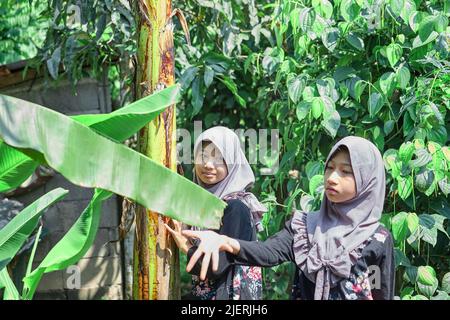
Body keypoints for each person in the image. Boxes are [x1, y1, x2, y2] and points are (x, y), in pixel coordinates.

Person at [182, 136, 395, 300]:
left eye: (345, 172)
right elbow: (267, 252)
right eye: (329, 168)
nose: (332, 178)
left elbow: (380, 292)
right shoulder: (304, 227)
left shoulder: (377, 239)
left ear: (368, 181)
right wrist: (227, 242)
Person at [165, 126, 267, 300]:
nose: (208, 165)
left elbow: (216, 267)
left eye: (219, 159)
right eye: (203, 156)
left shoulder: (236, 207)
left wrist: (186, 247)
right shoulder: (204, 206)